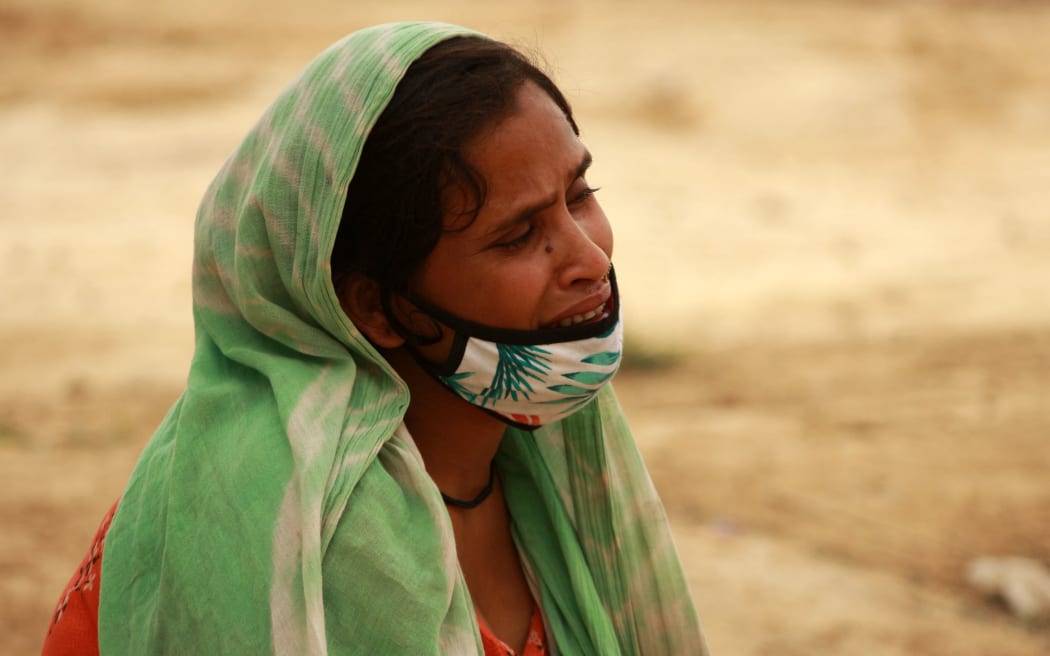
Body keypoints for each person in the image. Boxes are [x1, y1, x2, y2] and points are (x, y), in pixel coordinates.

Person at [42, 21, 708, 655]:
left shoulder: (545, 456)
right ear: (378, 308)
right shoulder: (304, 532)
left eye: (581, 193)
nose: (589, 257)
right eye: (518, 236)